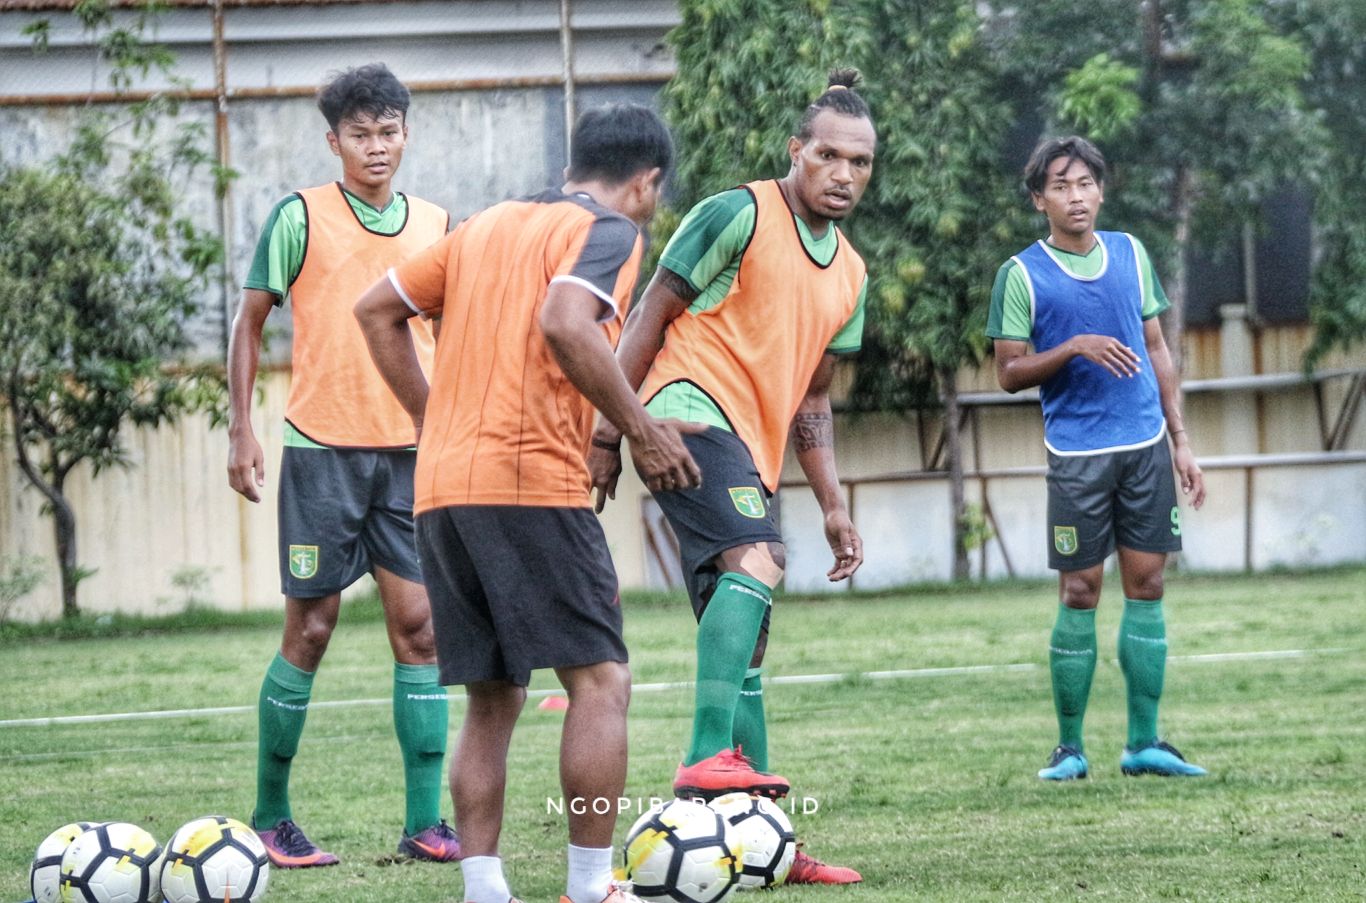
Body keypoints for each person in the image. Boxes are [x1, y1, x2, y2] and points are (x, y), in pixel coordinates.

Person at [354, 103, 699, 903]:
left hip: (441, 488)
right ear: (646, 183)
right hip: (530, 484)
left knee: (494, 693)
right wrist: (639, 429)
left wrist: (428, 416)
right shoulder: (610, 231)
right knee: (602, 682)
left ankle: (485, 888)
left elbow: (375, 309)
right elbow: (564, 322)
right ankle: (589, 885)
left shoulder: (484, 225)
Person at [587, 70, 874, 886]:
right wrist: (612, 432)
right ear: (797, 150)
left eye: (859, 162)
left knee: (746, 640)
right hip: (684, 412)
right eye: (828, 155)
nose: (843, 174)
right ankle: (703, 756)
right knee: (757, 560)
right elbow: (649, 312)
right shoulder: (737, 212)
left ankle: (765, 843)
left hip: (753, 446)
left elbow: (814, 397)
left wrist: (832, 503)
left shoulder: (850, 273)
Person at [226, 63, 461, 867]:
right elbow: (250, 322)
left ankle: (426, 822)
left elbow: (452, 335)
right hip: (321, 453)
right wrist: (240, 430)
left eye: (388, 131)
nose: (375, 147)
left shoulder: (437, 222)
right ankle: (269, 818)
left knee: (421, 630)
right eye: (359, 134)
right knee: (312, 627)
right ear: (334, 141)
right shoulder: (299, 217)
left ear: (406, 133)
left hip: (410, 457)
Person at [987, 135, 1208, 781]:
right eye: (1060, 185)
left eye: (1084, 183)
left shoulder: (1131, 254)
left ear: (1101, 190)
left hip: (1143, 447)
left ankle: (1144, 743)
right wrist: (1074, 347)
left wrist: (1181, 439)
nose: (1075, 196)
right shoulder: (1021, 273)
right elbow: (1008, 372)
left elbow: (1159, 350)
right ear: (1039, 199)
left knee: (1149, 584)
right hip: (1077, 456)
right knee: (1081, 589)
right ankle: (1069, 748)